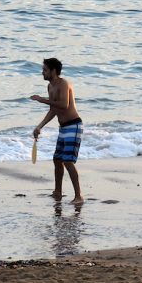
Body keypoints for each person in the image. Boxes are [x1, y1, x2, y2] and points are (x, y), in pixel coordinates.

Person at [31, 58, 84, 204]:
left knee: (67, 161)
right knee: (57, 159)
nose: (42, 72)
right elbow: (53, 110)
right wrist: (39, 126)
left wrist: (42, 100)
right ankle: (58, 192)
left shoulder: (63, 84)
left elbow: (64, 105)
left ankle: (79, 196)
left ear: (53, 71)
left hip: (73, 125)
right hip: (63, 128)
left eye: (45, 70)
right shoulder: (50, 86)